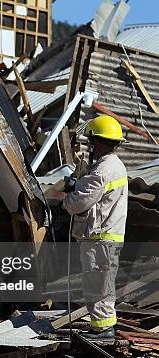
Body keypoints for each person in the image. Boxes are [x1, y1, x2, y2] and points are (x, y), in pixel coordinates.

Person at [62, 115, 128, 340]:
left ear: (98, 142)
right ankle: (101, 327)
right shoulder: (111, 166)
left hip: (100, 238)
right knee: (102, 285)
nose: (89, 145)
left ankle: (103, 330)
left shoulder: (102, 171)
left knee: (97, 286)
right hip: (105, 238)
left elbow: (78, 203)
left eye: (91, 141)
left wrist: (69, 193)